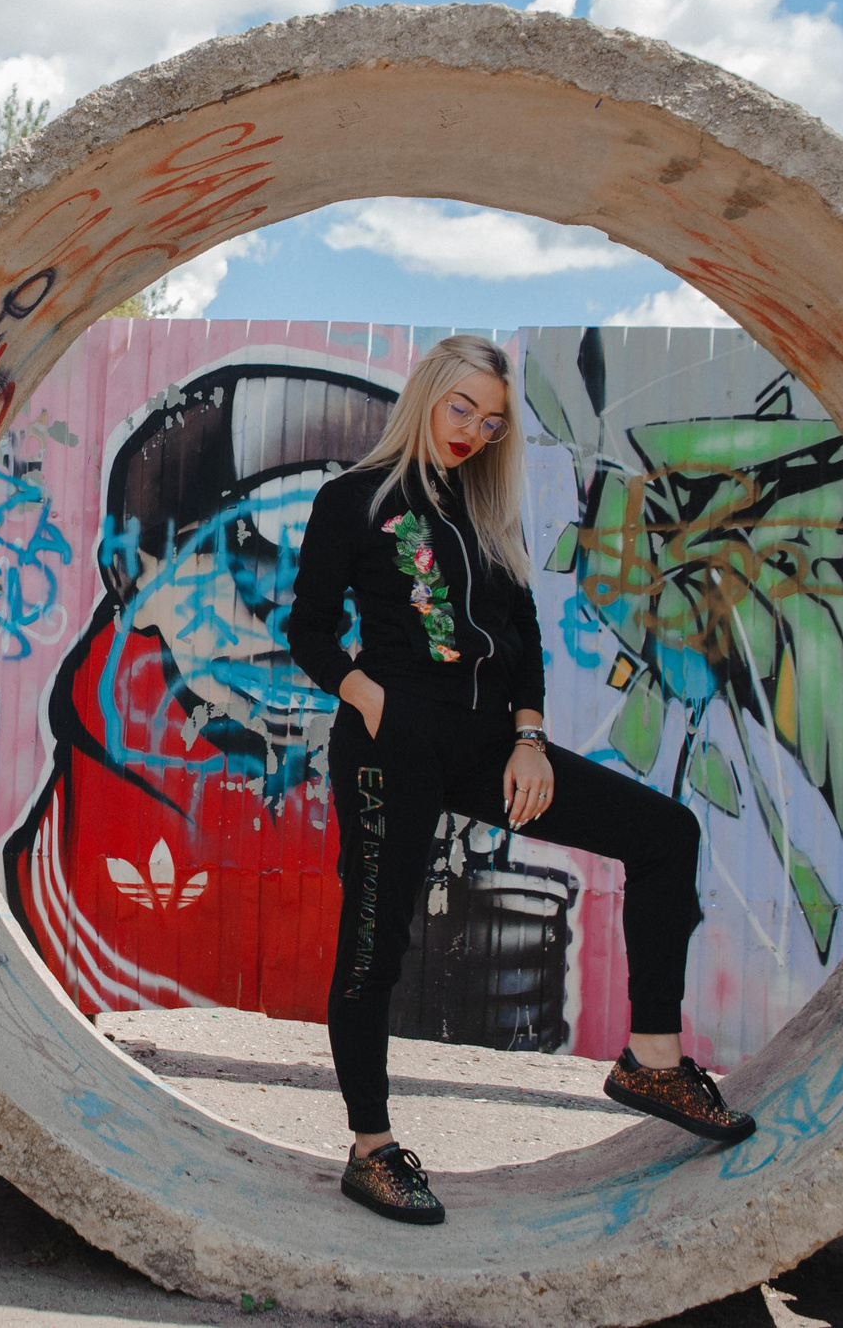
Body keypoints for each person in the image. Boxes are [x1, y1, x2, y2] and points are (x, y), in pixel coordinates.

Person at [286, 333, 754, 1226]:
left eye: (492, 420)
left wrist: (528, 738)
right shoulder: (354, 499)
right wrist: (369, 697)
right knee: (374, 944)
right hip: (391, 746)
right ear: (427, 394)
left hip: (491, 746)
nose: (473, 429)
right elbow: (308, 627)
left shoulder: (484, 510)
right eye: (461, 406)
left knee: (666, 834)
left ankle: (652, 1059)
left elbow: (526, 635)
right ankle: (372, 1149)